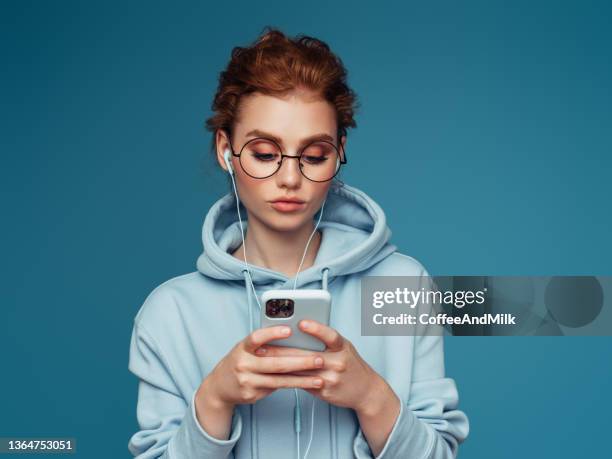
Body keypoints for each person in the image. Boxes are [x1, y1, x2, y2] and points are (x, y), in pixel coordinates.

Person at [127, 27, 469, 459]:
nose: (290, 178)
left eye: (313, 156)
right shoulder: (170, 312)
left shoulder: (403, 284)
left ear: (339, 152)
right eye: (266, 154)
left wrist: (371, 395)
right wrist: (214, 400)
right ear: (225, 150)